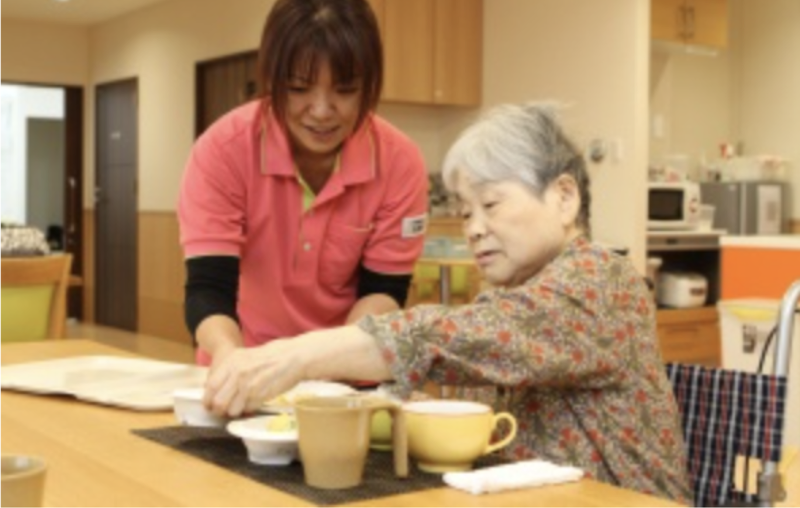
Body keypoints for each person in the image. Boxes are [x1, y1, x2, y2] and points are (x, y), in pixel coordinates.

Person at [203, 102, 692, 503]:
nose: (473, 229)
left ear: (564, 197)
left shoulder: (600, 282)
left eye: (491, 204)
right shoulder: (505, 296)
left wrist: (294, 357)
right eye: (465, 212)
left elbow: (448, 335)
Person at [178, 0, 429, 367]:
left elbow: (384, 292)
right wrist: (231, 358)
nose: (322, 111)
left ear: (369, 86)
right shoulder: (222, 151)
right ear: (272, 80)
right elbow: (208, 289)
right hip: (246, 361)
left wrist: (318, 362)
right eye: (298, 88)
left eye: (345, 90)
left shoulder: (400, 163)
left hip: (346, 369)